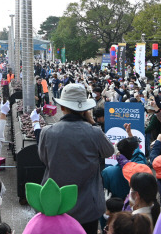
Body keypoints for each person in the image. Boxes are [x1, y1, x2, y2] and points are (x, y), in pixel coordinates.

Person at [39, 83, 114, 234]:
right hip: (88, 207)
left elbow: (44, 159)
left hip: (56, 203)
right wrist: (92, 122)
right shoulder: (94, 133)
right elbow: (109, 151)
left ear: (62, 107)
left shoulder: (47, 132)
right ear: (85, 110)